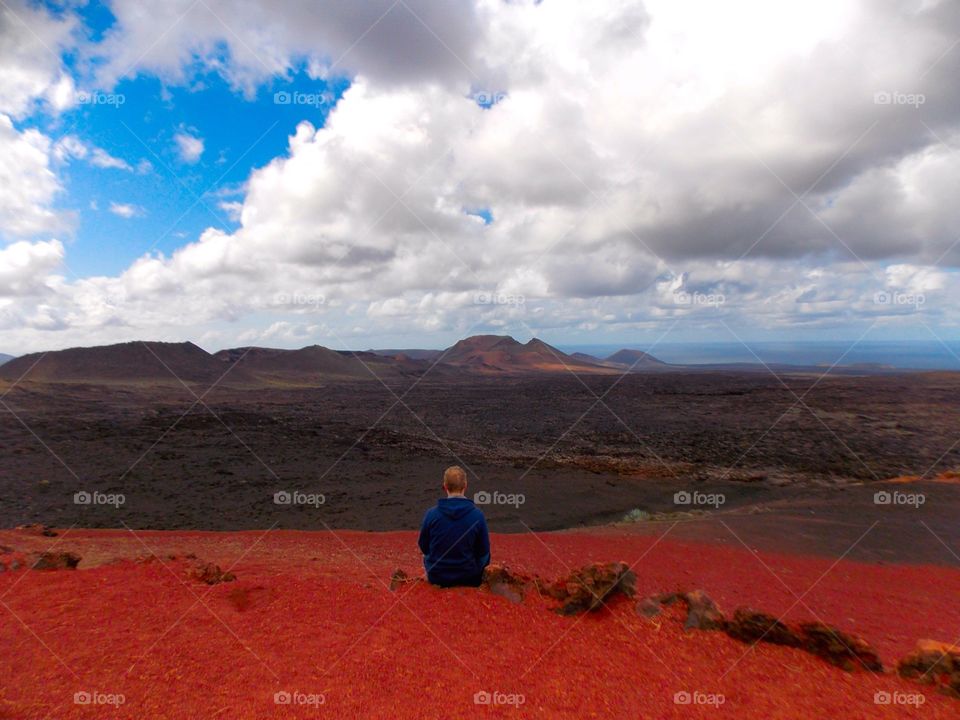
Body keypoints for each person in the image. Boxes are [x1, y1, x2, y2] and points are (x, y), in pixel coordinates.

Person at [418, 465, 490, 587]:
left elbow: (423, 546)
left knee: (427, 553)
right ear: (465, 486)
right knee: (484, 555)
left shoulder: (431, 514)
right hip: (469, 576)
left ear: (445, 487)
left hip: (437, 576)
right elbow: (484, 552)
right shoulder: (477, 515)